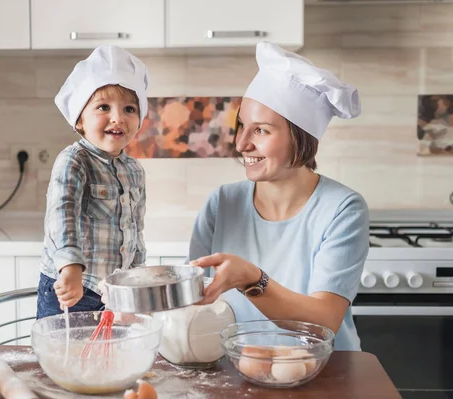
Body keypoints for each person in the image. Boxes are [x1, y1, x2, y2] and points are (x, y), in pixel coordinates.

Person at [188, 41, 369, 351]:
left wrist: (251, 279)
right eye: (242, 126)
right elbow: (191, 300)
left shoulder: (343, 209)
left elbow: (324, 321)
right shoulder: (222, 203)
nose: (242, 143)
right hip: (239, 367)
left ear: (300, 138)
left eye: (261, 131)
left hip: (326, 373)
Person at [36, 45, 149, 318]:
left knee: (112, 358)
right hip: (74, 287)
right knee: (68, 358)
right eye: (103, 107)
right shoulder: (74, 161)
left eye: (130, 109)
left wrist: (136, 278)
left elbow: (135, 230)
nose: (118, 117)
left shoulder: (135, 170)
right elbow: (61, 217)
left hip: (116, 293)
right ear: (80, 121)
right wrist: (70, 268)